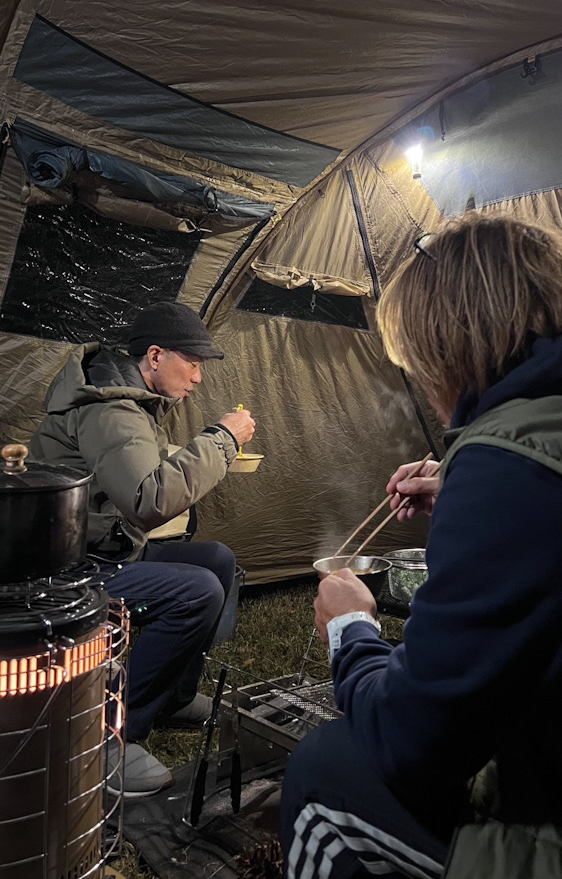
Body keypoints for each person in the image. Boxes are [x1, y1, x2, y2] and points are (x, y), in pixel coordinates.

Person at [281, 213, 562, 878]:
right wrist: (464, 479)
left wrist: (351, 629)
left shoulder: (512, 466)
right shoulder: (532, 441)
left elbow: (411, 743)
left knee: (323, 771)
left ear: (450, 347)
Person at [29, 300, 256, 796]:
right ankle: (107, 735)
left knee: (218, 562)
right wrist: (221, 440)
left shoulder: (130, 399)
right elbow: (148, 500)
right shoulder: (110, 407)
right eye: (192, 364)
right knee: (196, 592)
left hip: (103, 548)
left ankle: (172, 696)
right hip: (70, 569)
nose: (197, 378)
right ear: (155, 356)